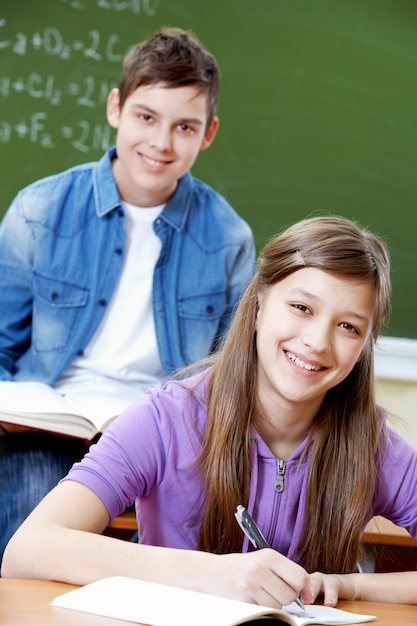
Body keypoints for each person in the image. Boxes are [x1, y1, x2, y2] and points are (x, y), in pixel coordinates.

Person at [4, 215, 417, 607]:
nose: (317, 342)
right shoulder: (166, 419)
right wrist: (211, 574)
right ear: (258, 308)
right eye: (301, 308)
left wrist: (353, 586)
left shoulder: (374, 446)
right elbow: (28, 549)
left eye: (349, 327)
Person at [0, 27, 255, 560]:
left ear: (207, 133)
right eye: (146, 117)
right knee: (31, 499)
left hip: (164, 435)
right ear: (116, 107)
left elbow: (232, 373)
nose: (161, 143)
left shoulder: (229, 238)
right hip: (48, 425)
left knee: (188, 528)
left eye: (184, 126)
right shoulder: (38, 210)